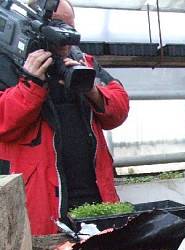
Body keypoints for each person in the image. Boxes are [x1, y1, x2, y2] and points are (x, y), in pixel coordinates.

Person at [0, 0, 130, 235]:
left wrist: (92, 90)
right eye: (60, 27)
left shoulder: (83, 60)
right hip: (40, 206)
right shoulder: (6, 64)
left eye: (71, 27)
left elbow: (119, 107)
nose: (68, 38)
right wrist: (31, 83)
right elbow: (4, 124)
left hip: (96, 200)